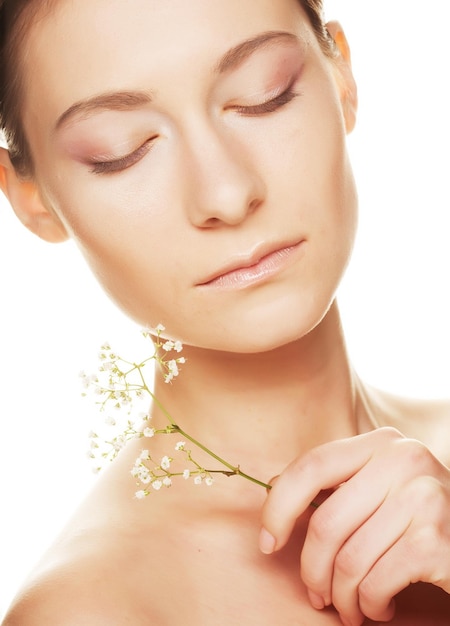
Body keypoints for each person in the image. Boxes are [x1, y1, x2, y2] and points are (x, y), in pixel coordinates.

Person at [1, 0, 450, 624]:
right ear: (31, 197)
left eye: (264, 96)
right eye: (122, 151)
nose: (227, 195)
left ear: (341, 74)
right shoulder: (97, 610)